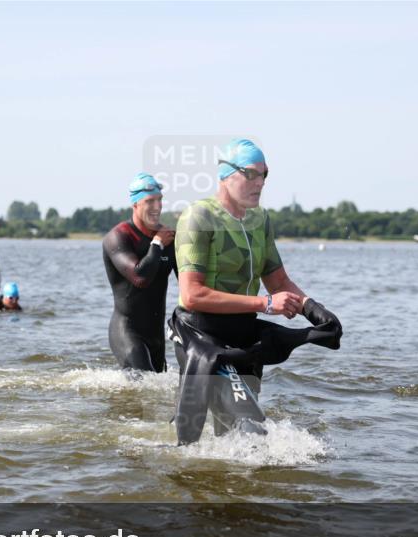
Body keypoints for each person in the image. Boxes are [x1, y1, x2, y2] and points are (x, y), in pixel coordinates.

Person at [170, 139, 341, 445]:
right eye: (251, 174)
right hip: (202, 337)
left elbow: (278, 280)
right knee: (252, 425)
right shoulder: (199, 217)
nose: (259, 183)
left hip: (244, 338)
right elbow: (193, 294)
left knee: (231, 436)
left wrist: (311, 308)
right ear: (226, 174)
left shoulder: (259, 219)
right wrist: (265, 303)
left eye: (264, 175)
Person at [101, 172, 177, 371]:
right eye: (150, 201)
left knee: (156, 391)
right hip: (127, 331)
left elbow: (189, 284)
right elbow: (140, 277)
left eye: (159, 200)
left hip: (157, 336)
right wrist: (158, 243)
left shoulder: (170, 238)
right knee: (143, 383)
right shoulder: (118, 237)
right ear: (135, 205)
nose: (157, 207)